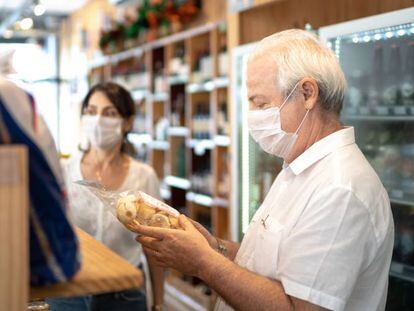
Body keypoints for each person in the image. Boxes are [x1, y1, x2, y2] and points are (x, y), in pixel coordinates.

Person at [133, 29, 394, 311]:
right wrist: (213, 248)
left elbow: (298, 308)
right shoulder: (299, 166)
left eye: (261, 103)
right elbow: (269, 268)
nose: (253, 116)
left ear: (307, 93)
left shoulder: (340, 190)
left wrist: (203, 264)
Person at [48, 82, 164, 311]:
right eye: (91, 112)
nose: (97, 120)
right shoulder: (62, 171)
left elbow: (155, 246)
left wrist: (159, 303)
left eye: (109, 113)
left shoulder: (143, 176)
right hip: (67, 292)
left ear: (128, 122)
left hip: (125, 296)